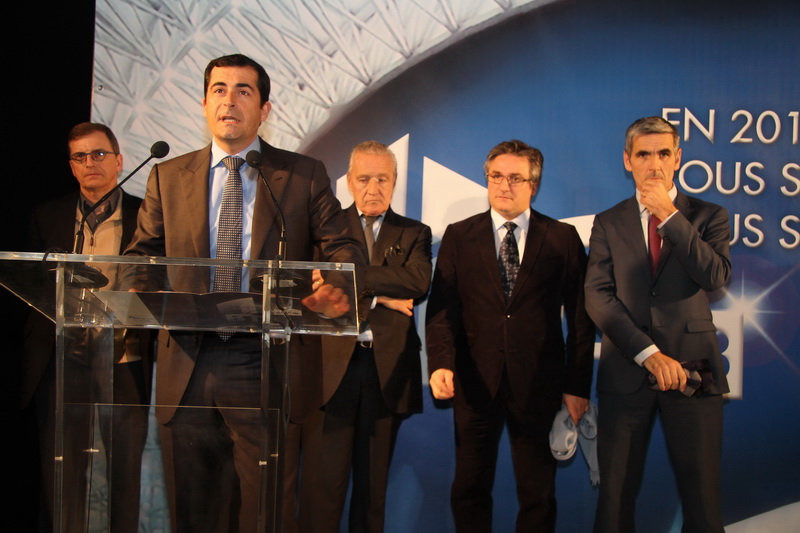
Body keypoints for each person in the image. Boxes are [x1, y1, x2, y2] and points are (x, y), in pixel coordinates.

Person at [122, 54, 365, 533]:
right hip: (186, 361)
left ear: (265, 109)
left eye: (243, 90)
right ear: (204, 102)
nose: (228, 100)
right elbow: (139, 257)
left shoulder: (302, 175)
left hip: (264, 361)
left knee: (266, 512)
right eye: (218, 89)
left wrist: (334, 284)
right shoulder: (166, 177)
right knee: (193, 512)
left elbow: (345, 246)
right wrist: (135, 294)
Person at [425, 140, 595, 532]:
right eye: (496, 176)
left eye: (515, 178)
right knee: (469, 487)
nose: (504, 185)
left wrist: (577, 386)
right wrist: (440, 365)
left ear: (532, 184)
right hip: (473, 381)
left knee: (537, 494)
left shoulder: (562, 238)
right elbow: (441, 311)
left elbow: (583, 321)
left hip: (540, 384)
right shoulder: (458, 236)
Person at [585, 116, 731, 533]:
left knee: (703, 501)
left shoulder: (709, 216)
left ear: (678, 158)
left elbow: (715, 277)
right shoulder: (608, 221)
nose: (654, 163)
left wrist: (669, 216)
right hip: (627, 370)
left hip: (694, 372)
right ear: (627, 161)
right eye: (644, 154)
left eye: (663, 153)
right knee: (614, 501)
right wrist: (648, 354)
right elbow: (597, 296)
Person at [22, 122, 152, 533]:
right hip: (63, 359)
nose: (90, 163)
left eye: (98, 154)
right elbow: (30, 289)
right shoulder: (49, 215)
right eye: (80, 156)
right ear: (71, 166)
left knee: (124, 472)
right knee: (61, 473)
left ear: (119, 161)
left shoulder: (146, 216)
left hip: (123, 358)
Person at [300, 141, 432, 533]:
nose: (373, 188)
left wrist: (351, 282)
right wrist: (383, 296)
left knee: (373, 498)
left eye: (383, 179)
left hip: (386, 374)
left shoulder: (415, 232)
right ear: (349, 182)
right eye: (364, 179)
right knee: (321, 494)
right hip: (328, 374)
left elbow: (417, 281)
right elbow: (313, 295)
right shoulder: (324, 229)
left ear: (394, 182)